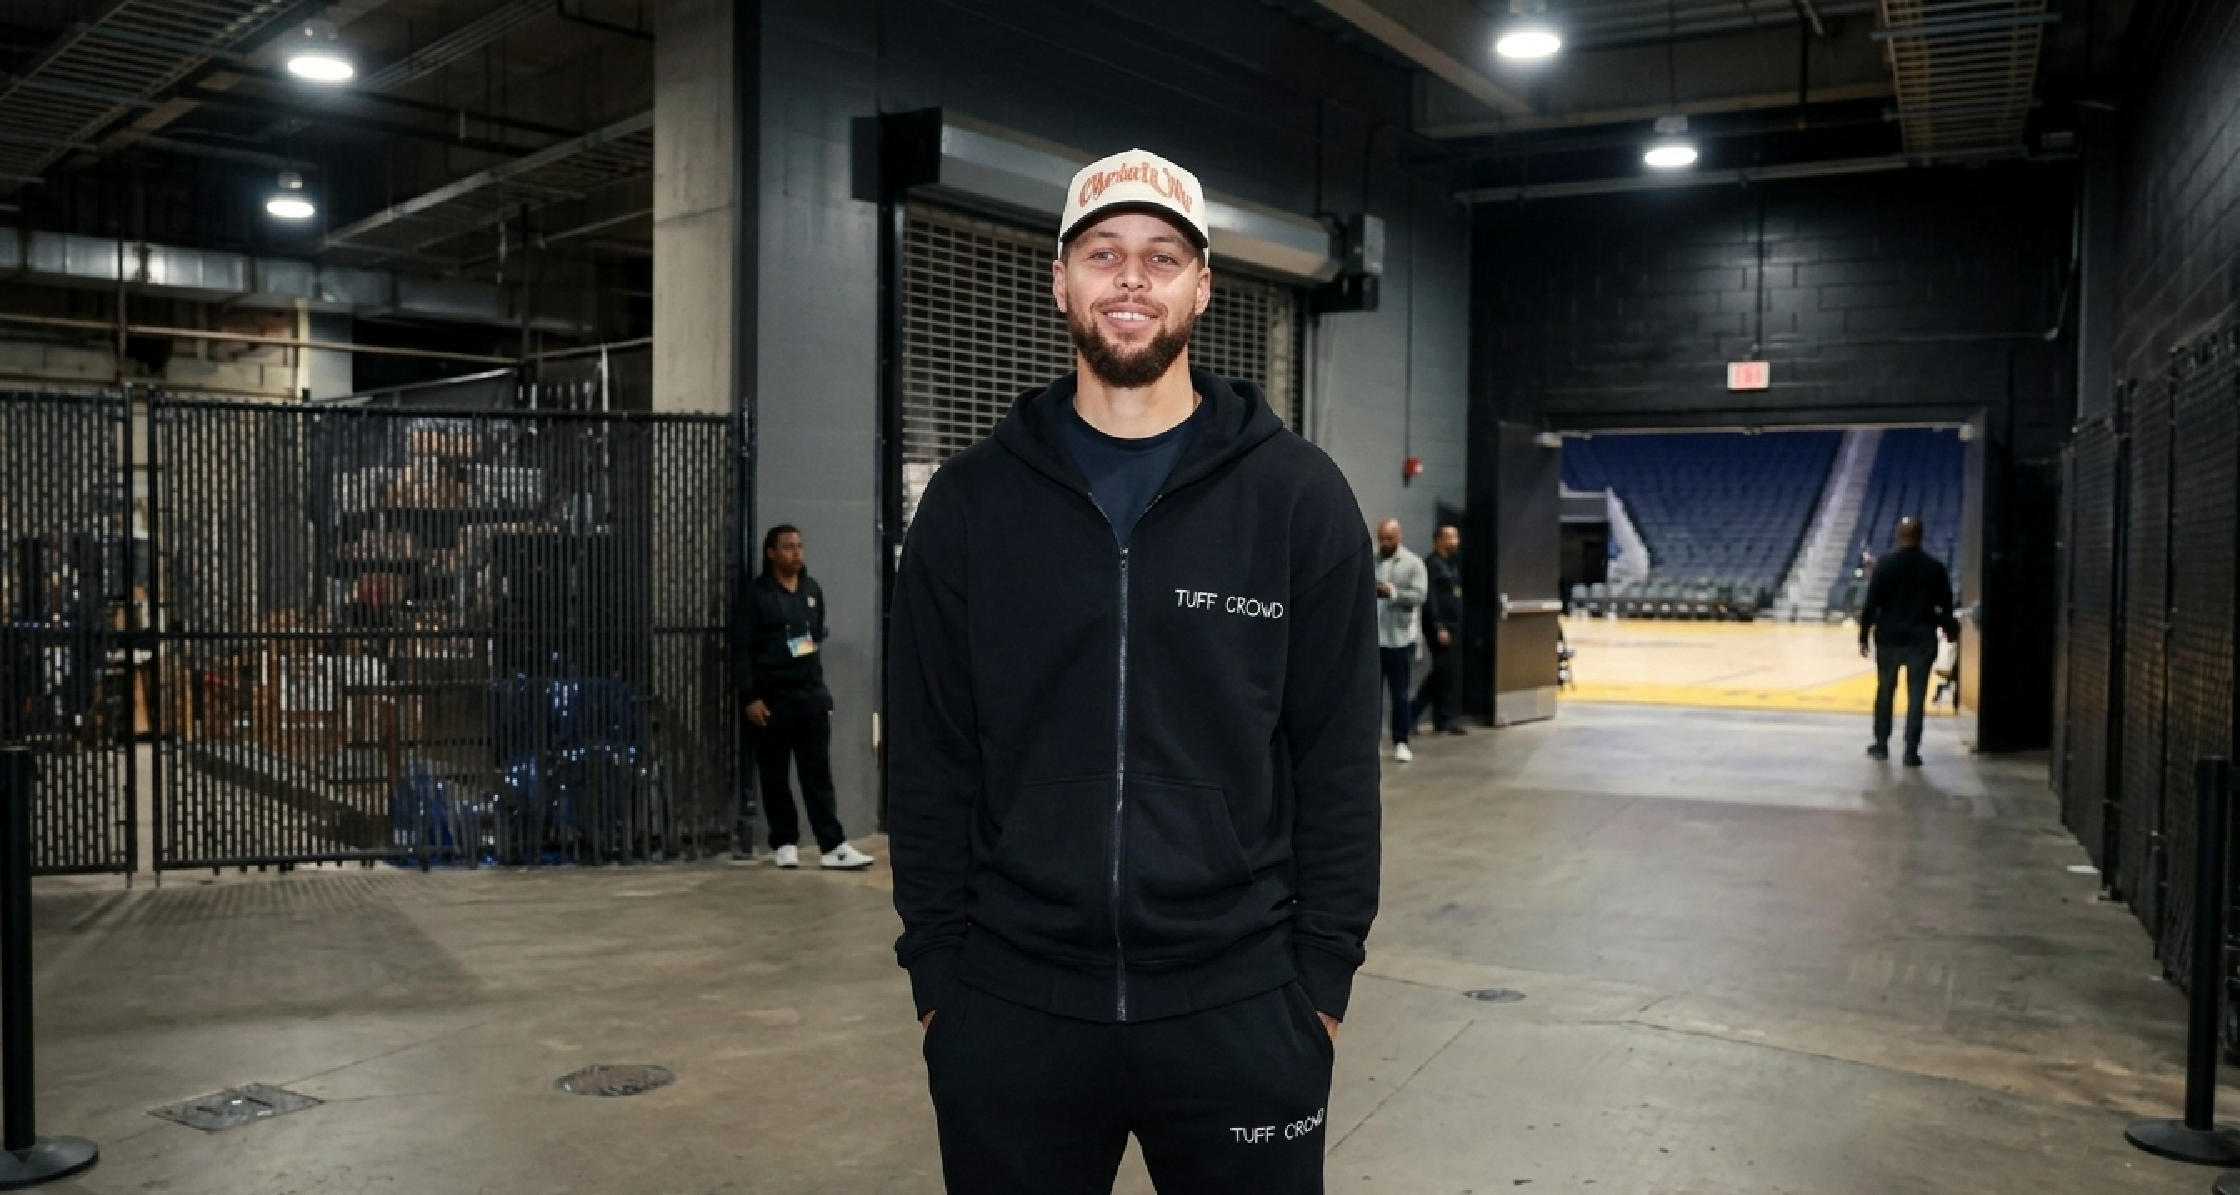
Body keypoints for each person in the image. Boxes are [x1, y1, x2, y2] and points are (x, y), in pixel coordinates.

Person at [887, 147, 1380, 1195]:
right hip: (1011, 1009)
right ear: (1058, 279)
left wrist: (1317, 987)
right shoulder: (972, 506)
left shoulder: (1295, 497)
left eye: (1162, 255)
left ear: (1202, 285)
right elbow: (928, 757)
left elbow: (1336, 757)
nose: (1130, 278)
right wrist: (941, 980)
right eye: (1102, 252)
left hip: (1241, 1006)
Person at [736, 525, 874, 870]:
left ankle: (833, 846)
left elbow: (810, 644)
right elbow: (741, 649)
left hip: (809, 698)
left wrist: (816, 689)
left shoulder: (811, 591)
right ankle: (784, 842)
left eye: (799, 547)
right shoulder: (756, 596)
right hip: (771, 700)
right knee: (775, 775)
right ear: (771, 553)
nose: (796, 553)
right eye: (787, 547)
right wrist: (751, 696)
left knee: (818, 775)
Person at [1857, 517, 1960, 767]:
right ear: (1921, 536)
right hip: (1921, 640)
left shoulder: (1885, 566)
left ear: (1897, 535)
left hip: (1889, 639)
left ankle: (1881, 745)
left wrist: (1863, 637)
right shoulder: (1934, 567)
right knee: (1916, 697)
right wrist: (1950, 632)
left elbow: (1871, 604)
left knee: (1885, 691)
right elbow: (1945, 607)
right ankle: (1911, 751)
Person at [1375, 518, 1427, 763]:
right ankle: (1369, 741)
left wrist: (1393, 593)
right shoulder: (1371, 561)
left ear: (1399, 537)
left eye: (1389, 538)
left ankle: (1401, 741)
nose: (1385, 543)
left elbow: (1419, 595)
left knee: (1400, 695)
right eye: (1381, 538)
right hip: (1374, 641)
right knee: (1370, 696)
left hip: (1400, 640)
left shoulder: (1413, 564)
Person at [1411, 524, 1465, 736]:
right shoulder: (1432, 565)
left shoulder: (1450, 565)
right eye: (1450, 538)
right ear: (1438, 541)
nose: (1455, 542)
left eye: (1456, 537)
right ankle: (1414, 715)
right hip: (1441, 629)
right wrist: (1438, 626)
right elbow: (1430, 599)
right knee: (1442, 675)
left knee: (1447, 676)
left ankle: (1443, 720)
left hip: (1452, 628)